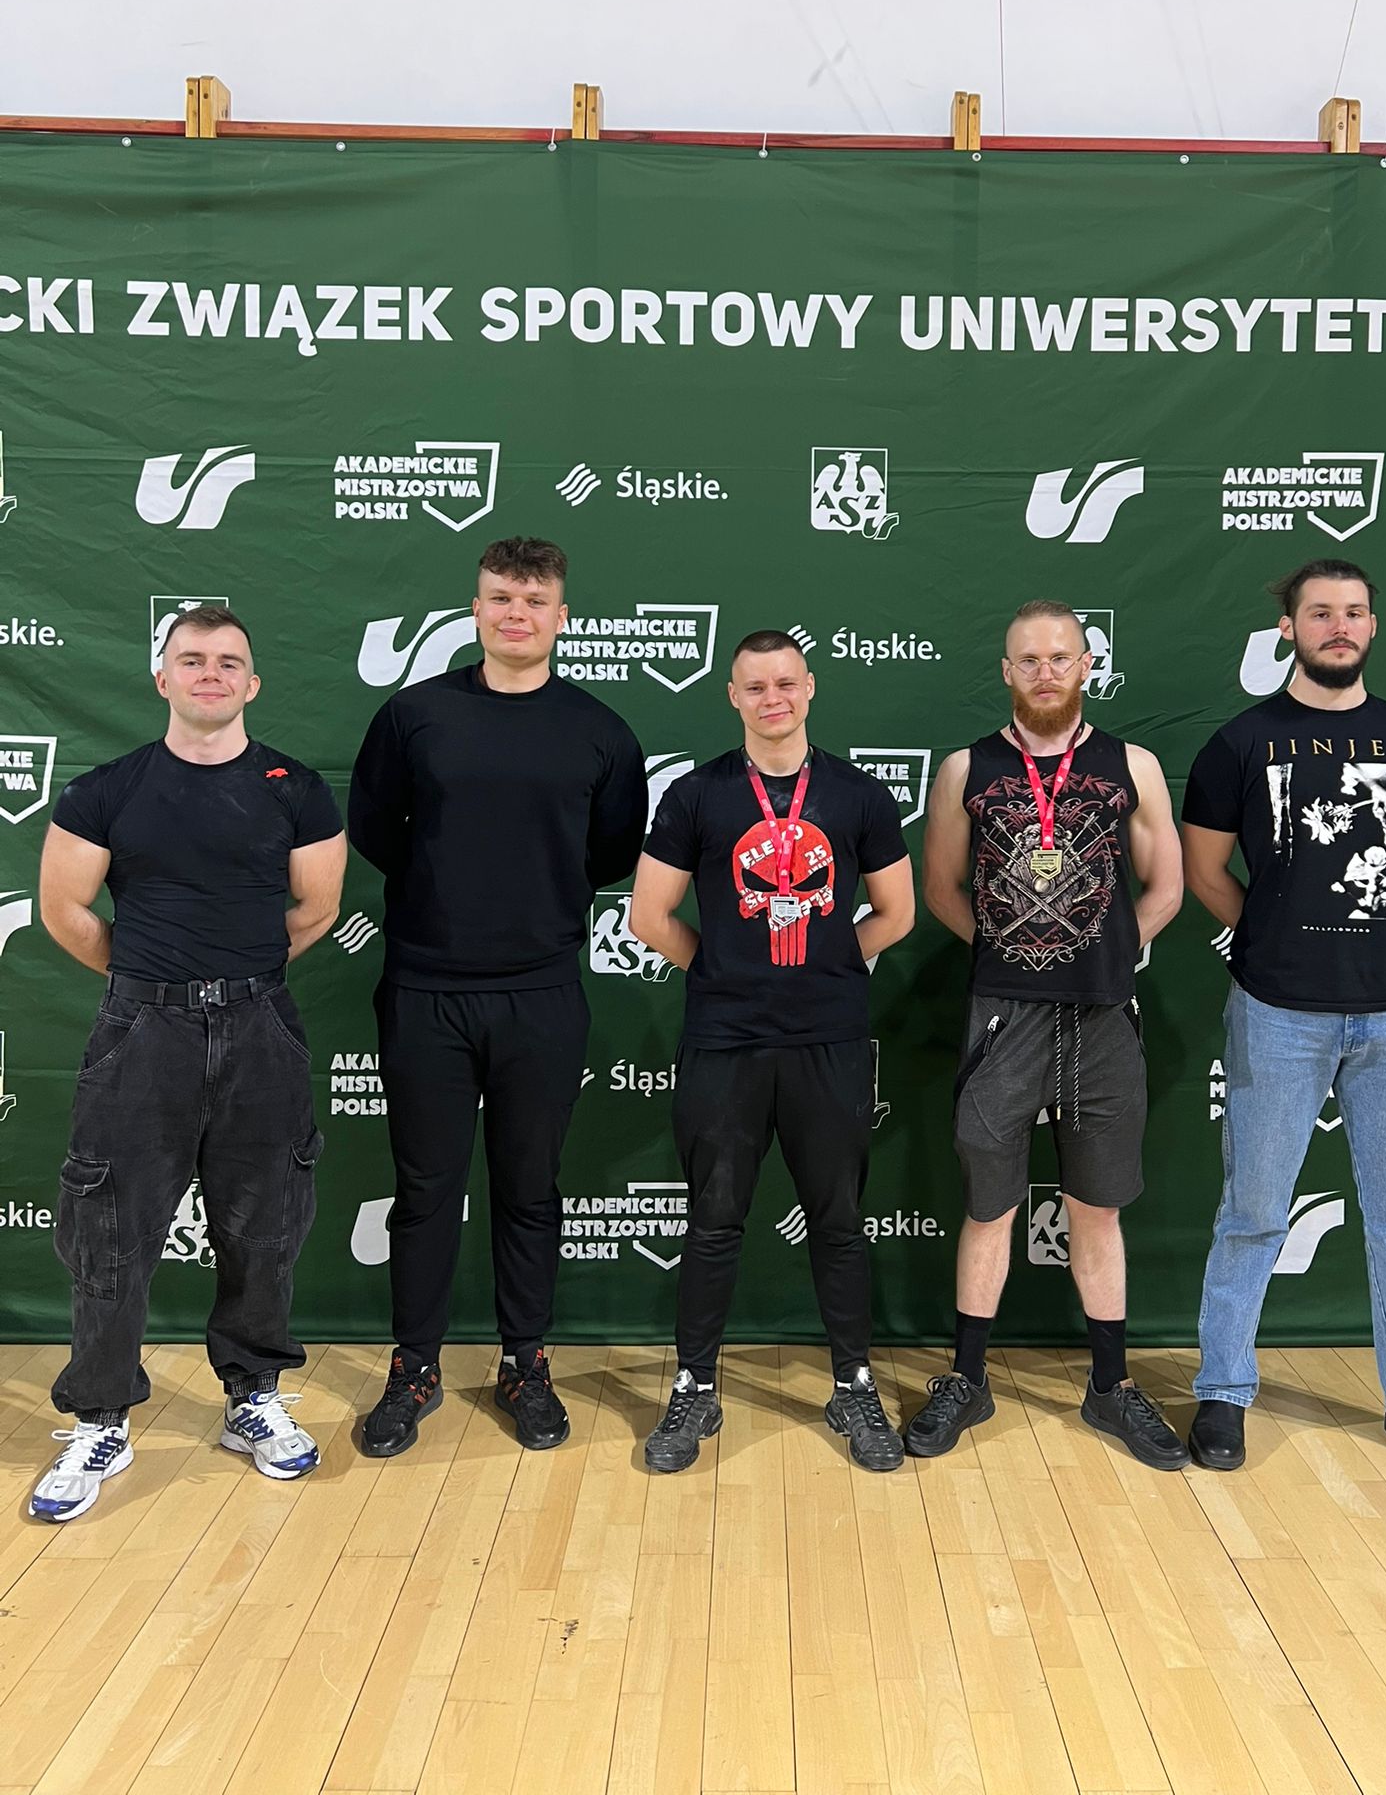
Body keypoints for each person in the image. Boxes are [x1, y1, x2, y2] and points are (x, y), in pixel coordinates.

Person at [30, 605, 345, 1522]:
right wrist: (150, 981)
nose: (212, 673)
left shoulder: (297, 789)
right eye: (193, 659)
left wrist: (232, 981)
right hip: (141, 1033)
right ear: (161, 677)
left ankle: (253, 1398)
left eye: (229, 662)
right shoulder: (106, 791)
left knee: (264, 1226)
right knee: (108, 1231)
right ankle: (101, 1418)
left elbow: (316, 908)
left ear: (253, 684)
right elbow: (65, 910)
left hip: (262, 1027)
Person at [1181, 559, 1386, 1487]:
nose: (1338, 626)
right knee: (1252, 1213)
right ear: (1289, 628)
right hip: (1277, 1013)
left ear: (1372, 627)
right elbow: (1204, 872)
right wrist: (1272, 934)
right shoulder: (1241, 744)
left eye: (1353, 612)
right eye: (1319, 613)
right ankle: (1223, 1391)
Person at [348, 536, 647, 1457]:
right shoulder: (414, 715)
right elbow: (375, 829)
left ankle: (525, 1363)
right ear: (475, 608)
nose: (517, 613)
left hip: (541, 991)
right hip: (426, 988)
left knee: (530, 1189)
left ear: (561, 616)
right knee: (425, 1190)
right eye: (501, 598)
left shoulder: (600, 731)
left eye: (534, 600)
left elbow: (609, 854)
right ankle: (415, 1367)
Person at [629, 630, 915, 1472]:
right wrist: (719, 969)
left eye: (785, 683)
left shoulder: (859, 795)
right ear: (732, 695)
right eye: (755, 687)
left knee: (839, 1222)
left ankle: (853, 1383)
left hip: (829, 1039)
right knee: (714, 1220)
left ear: (810, 687)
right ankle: (694, 1387)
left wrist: (828, 966)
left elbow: (897, 913)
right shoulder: (695, 795)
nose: (772, 699)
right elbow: (648, 916)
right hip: (726, 1042)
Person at [908, 600, 1186, 1468]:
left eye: (1059, 657)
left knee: (1095, 1208)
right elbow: (941, 887)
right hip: (1005, 1016)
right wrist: (1012, 954)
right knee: (989, 1207)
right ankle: (968, 1378)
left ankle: (1110, 1386)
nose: (1044, 672)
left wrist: (1105, 953)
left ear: (1086, 664)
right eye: (1028, 659)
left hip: (1103, 1016)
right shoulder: (967, 768)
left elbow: (1168, 887)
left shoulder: (1132, 764)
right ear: (1006, 670)